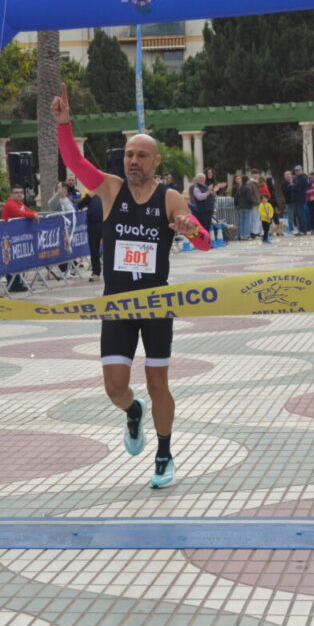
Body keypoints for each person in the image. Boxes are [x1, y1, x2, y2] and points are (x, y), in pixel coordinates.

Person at [52, 82, 210, 489]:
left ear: (155, 160)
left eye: (141, 155)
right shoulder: (109, 188)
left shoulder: (170, 197)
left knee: (160, 383)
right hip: (117, 304)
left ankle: (164, 453)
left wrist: (189, 228)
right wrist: (64, 124)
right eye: (128, 154)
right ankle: (132, 412)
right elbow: (73, 161)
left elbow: (204, 241)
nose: (133, 160)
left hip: (156, 303)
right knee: (114, 387)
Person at [0, 185, 40, 292]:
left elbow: (27, 210)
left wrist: (33, 213)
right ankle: (13, 284)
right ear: (11, 194)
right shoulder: (10, 204)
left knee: (17, 259)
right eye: (16, 192)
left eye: (20, 192)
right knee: (10, 260)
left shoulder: (20, 203)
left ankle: (17, 282)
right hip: (8, 237)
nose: (19, 194)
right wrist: (33, 215)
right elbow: (20, 214)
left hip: (17, 237)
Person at [77, 190, 103, 282]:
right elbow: (79, 205)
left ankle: (111, 271)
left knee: (110, 249)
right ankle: (96, 272)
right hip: (93, 225)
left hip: (106, 223)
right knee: (94, 249)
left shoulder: (107, 189)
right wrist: (88, 197)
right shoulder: (89, 191)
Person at [292, 165, 310, 235]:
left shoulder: (303, 178)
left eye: (298, 170)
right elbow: (295, 186)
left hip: (300, 199)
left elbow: (297, 188)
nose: (297, 171)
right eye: (296, 170)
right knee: (298, 215)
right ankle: (301, 229)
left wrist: (293, 187)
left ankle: (303, 230)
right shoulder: (297, 178)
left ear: (302, 170)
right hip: (296, 199)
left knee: (301, 215)